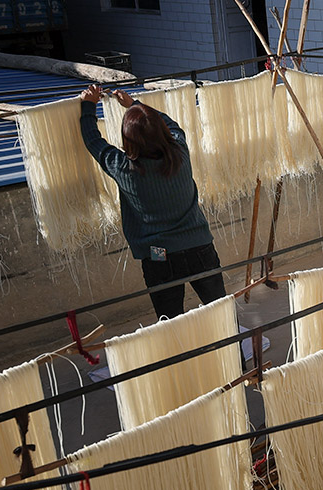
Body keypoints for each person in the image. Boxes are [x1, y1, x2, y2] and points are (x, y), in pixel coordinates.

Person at [78, 84, 226, 320]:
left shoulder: (124, 168)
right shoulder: (180, 151)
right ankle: (233, 355)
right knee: (222, 314)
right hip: (200, 246)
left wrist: (88, 106)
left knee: (170, 323)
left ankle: (179, 356)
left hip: (160, 254)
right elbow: (171, 124)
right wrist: (135, 104)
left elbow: (93, 141)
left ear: (129, 141)